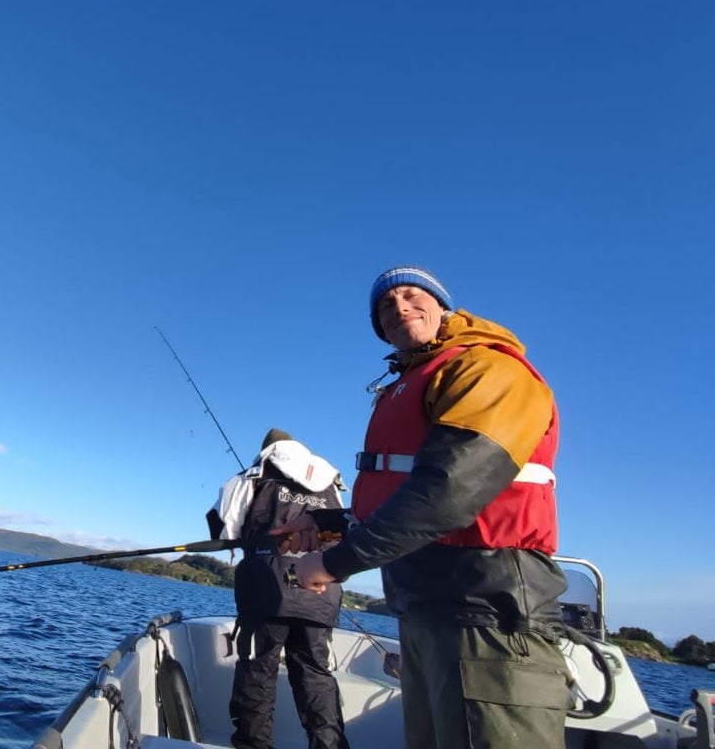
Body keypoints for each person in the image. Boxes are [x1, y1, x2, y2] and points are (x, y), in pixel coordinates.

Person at [280, 266, 573, 749]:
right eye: (385, 306)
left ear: (443, 307)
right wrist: (325, 523)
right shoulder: (413, 380)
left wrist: (331, 564)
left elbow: (450, 491)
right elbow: (402, 497)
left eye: (412, 295)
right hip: (426, 614)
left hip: (489, 615)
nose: (399, 307)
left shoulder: (486, 369)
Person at [207, 428, 351, 749]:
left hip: (267, 589)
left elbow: (222, 528)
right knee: (315, 673)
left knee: (258, 670)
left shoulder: (252, 476)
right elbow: (342, 531)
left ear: (268, 450)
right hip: (320, 591)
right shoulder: (330, 482)